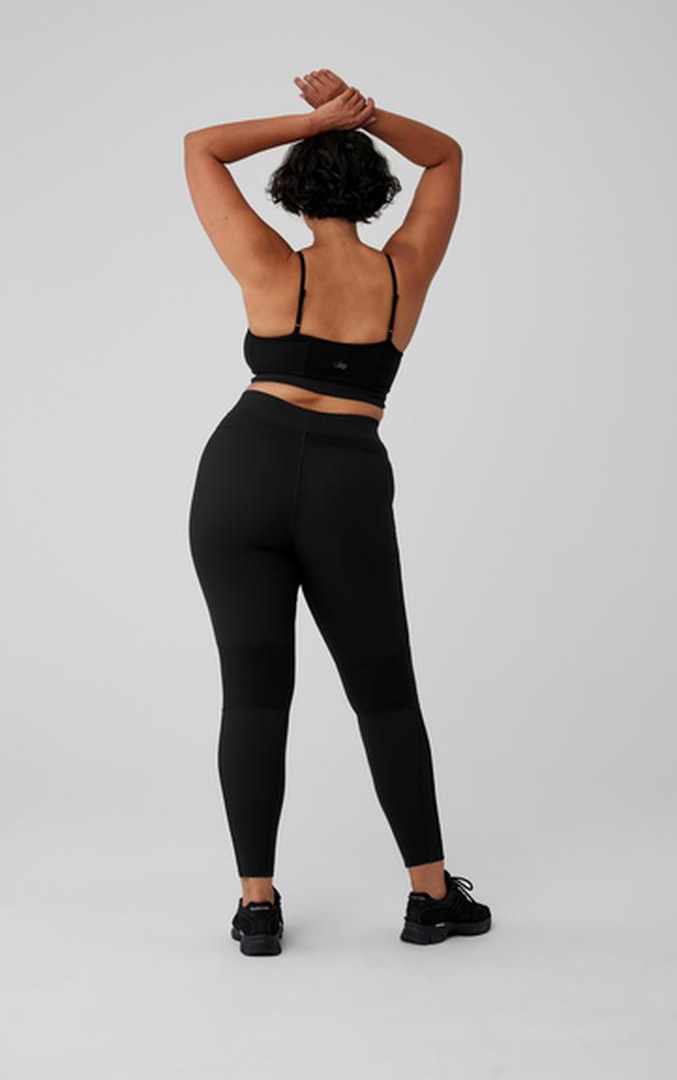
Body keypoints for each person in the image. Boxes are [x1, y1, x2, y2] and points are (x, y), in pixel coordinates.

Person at [184, 69, 491, 956]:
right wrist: (370, 115)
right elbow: (447, 156)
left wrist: (315, 119)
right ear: (373, 189)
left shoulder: (270, 263)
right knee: (385, 694)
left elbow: (201, 147)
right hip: (348, 480)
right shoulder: (404, 272)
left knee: (253, 694)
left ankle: (256, 905)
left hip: (241, 468)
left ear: (293, 187)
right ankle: (430, 895)